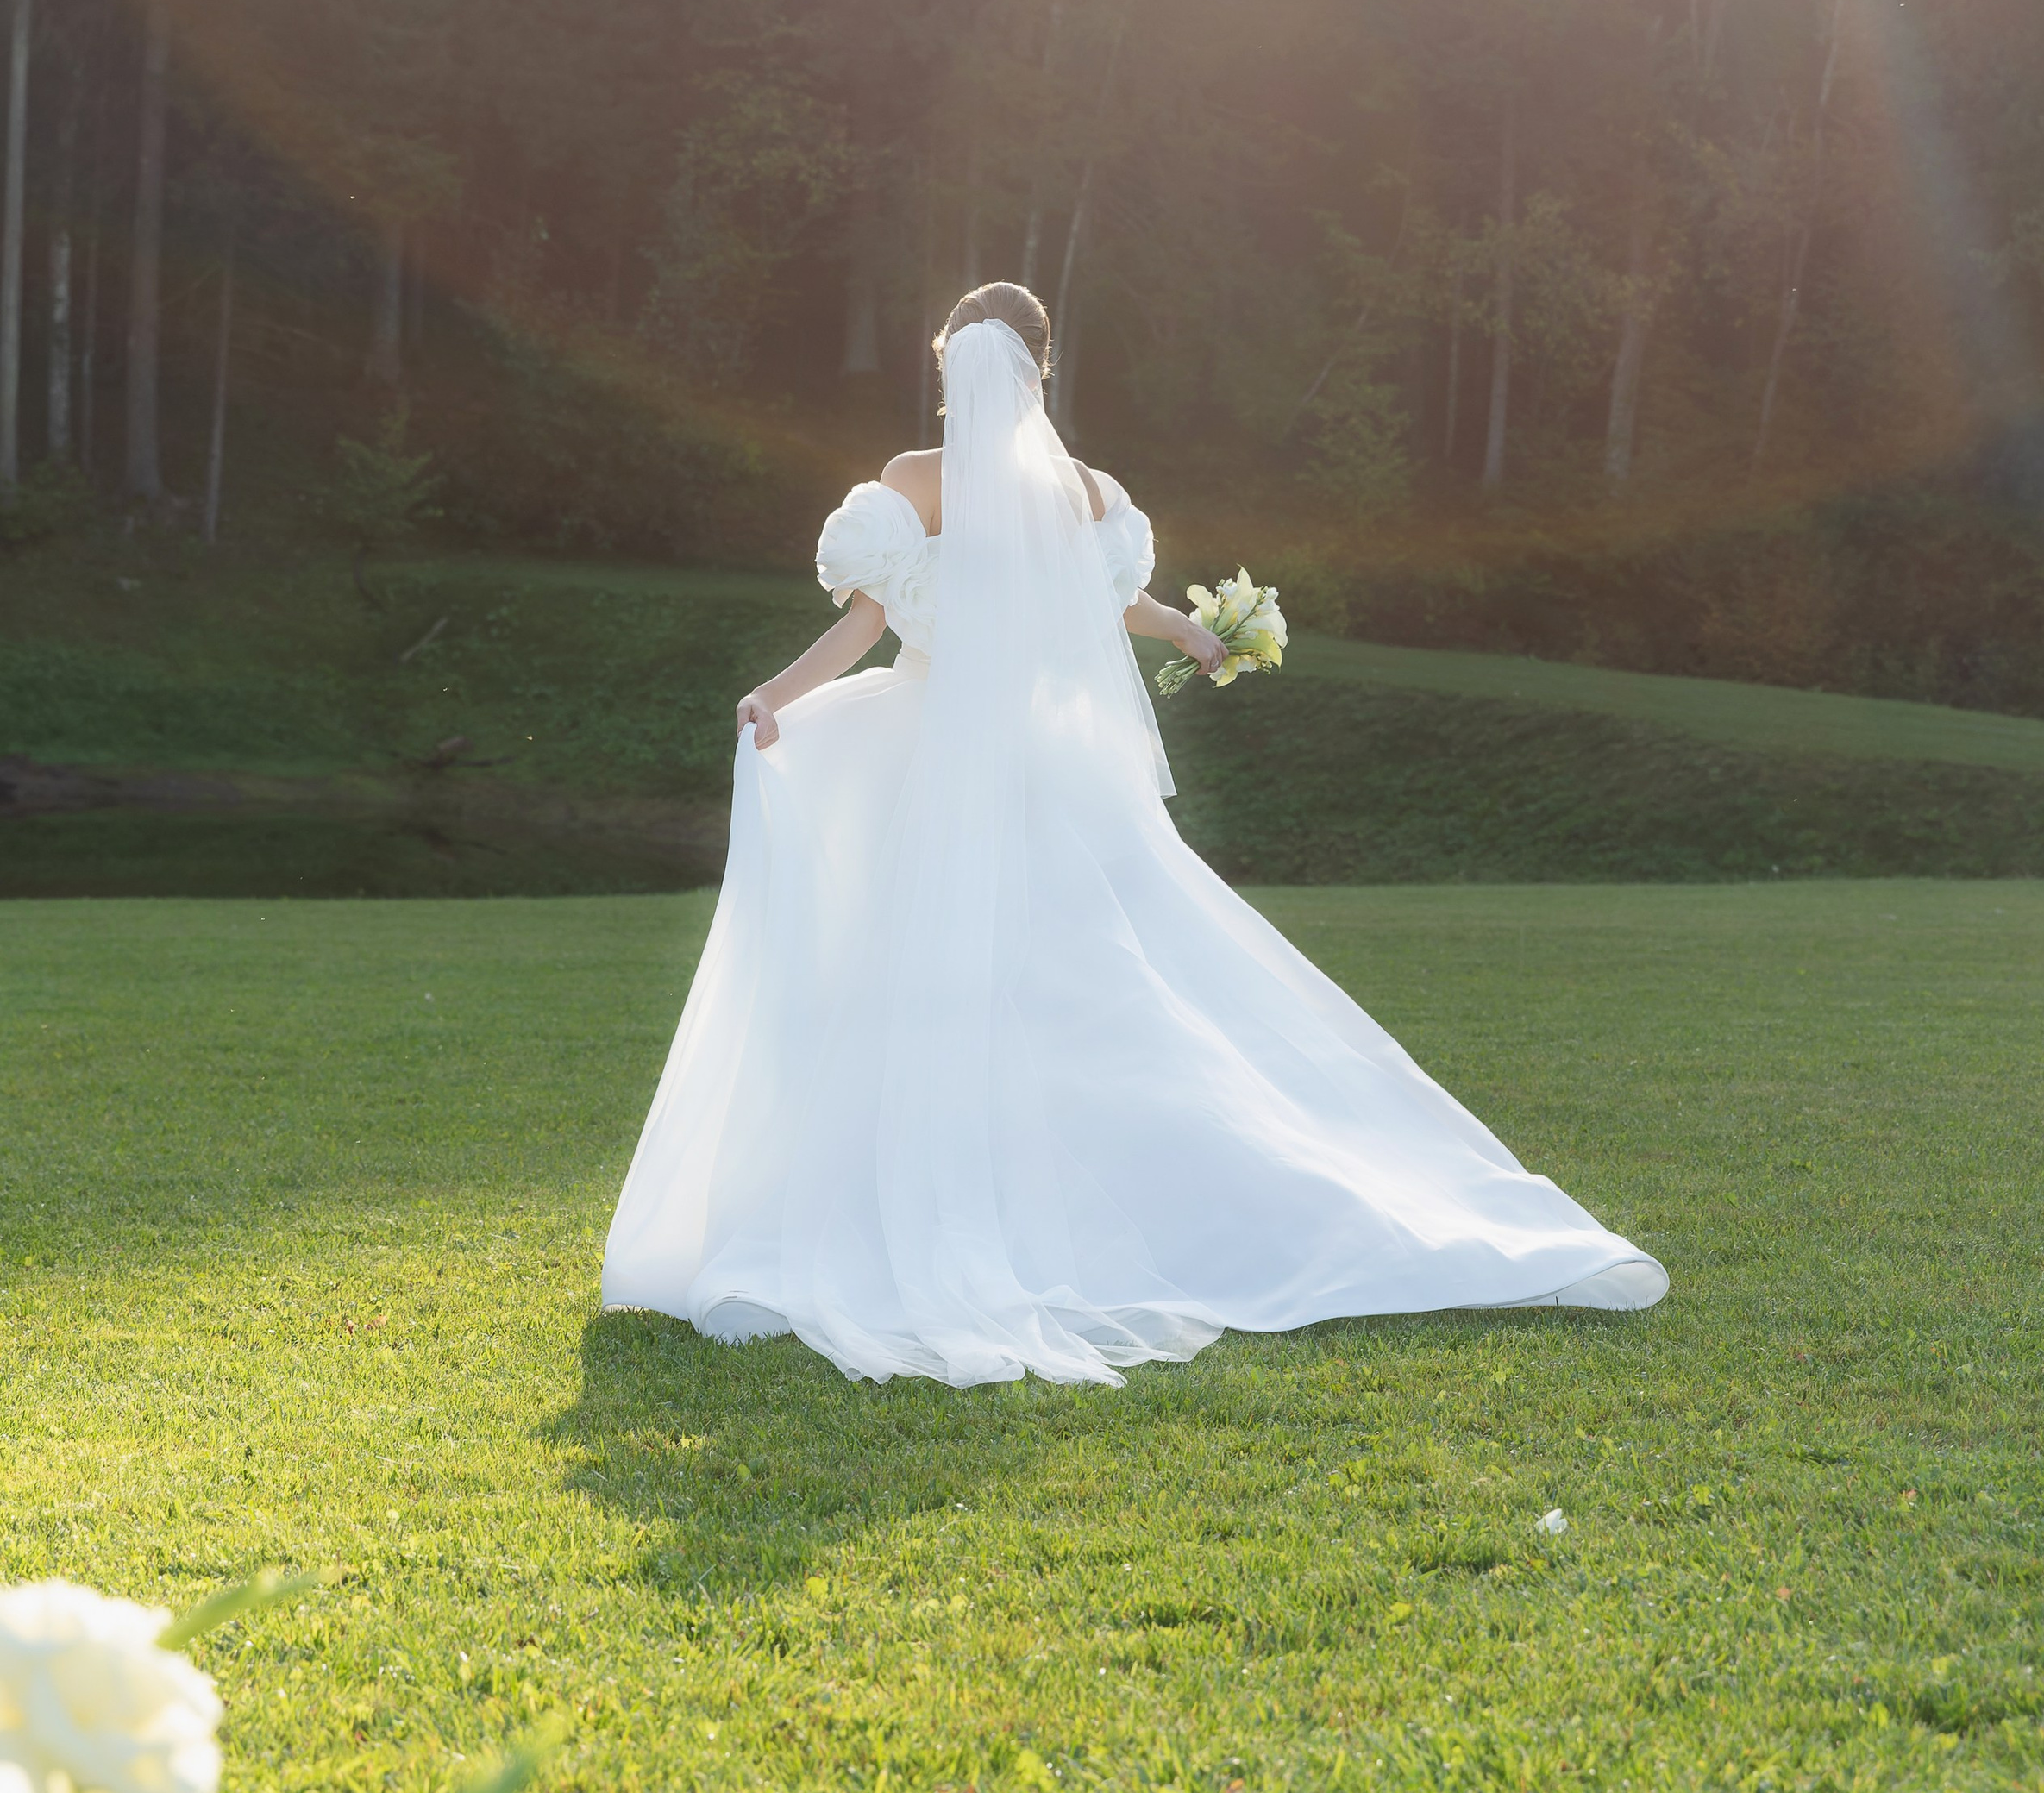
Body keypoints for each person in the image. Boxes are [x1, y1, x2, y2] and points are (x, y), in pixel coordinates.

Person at [602, 282, 1665, 1385]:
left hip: (926, 766)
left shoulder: (912, 481)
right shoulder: (1087, 491)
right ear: (1040, 370)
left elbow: (864, 626)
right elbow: (1113, 603)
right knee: (1090, 987)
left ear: (951, 365)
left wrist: (772, 696)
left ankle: (918, 1213)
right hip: (1053, 777)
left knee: (915, 985)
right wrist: (1197, 635)